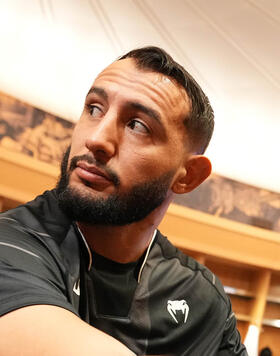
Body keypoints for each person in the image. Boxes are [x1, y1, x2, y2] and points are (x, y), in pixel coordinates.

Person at [0, 46, 247, 355]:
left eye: (137, 126)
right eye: (94, 108)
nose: (97, 138)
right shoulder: (10, 243)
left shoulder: (203, 298)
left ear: (187, 176)